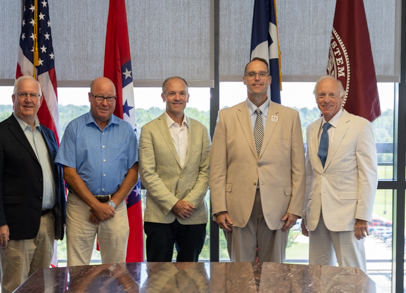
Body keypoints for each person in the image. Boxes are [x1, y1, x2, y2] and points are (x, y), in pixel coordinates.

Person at [210, 57, 305, 263]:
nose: (257, 78)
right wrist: (219, 208)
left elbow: (298, 169)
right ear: (244, 79)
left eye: (262, 74)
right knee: (240, 273)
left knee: (274, 273)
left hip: (278, 206)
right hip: (237, 205)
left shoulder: (290, 117)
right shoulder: (226, 116)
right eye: (252, 74)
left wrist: (295, 209)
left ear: (269, 79)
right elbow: (217, 167)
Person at [0, 75, 65, 293]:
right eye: (23, 94)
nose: (28, 100)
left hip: (47, 224)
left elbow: (54, 177)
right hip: (15, 227)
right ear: (14, 98)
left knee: (42, 291)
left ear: (39, 100)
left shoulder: (47, 134)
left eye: (33, 95)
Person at [55, 77, 138, 266]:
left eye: (110, 98)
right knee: (77, 269)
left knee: (116, 269)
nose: (105, 103)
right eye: (100, 97)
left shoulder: (126, 130)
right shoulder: (74, 128)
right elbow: (68, 173)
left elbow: (133, 171)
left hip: (114, 208)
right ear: (90, 97)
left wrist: (110, 205)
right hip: (80, 207)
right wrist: (96, 205)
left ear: (116, 100)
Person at [302, 76, 378, 272]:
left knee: (353, 275)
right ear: (316, 98)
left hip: (348, 218)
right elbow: (310, 174)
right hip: (316, 216)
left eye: (331, 95)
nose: (326, 99)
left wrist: (363, 216)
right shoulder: (311, 129)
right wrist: (305, 213)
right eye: (321, 95)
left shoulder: (360, 126)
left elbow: (368, 175)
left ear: (342, 97)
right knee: (317, 276)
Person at [139, 77, 210, 261]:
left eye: (181, 93)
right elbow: (147, 174)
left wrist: (188, 203)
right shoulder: (149, 130)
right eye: (172, 93)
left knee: (190, 276)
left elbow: (206, 171)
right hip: (159, 216)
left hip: (193, 215)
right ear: (163, 96)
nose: (177, 97)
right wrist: (174, 204)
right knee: (158, 277)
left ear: (188, 97)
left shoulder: (202, 130)